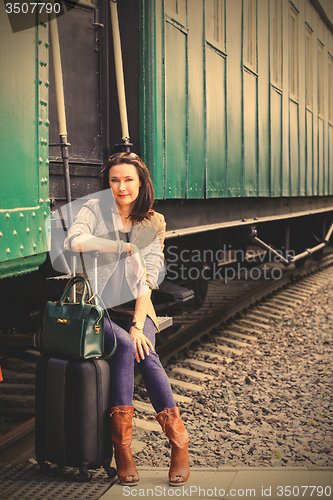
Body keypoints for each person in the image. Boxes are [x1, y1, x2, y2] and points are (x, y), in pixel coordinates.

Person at [63, 152, 190, 487]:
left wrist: (137, 324)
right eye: (114, 180)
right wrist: (124, 248)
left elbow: (148, 278)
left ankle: (176, 443)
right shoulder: (94, 210)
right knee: (123, 345)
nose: (121, 187)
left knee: (140, 348)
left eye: (128, 179)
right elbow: (74, 239)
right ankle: (125, 448)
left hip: (135, 308)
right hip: (97, 309)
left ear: (140, 182)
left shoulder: (152, 222)